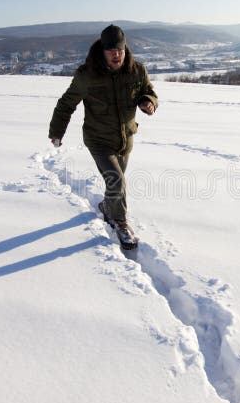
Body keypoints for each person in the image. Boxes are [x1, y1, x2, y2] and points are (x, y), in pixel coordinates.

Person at [48, 24, 158, 249]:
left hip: (125, 139)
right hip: (98, 139)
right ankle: (121, 224)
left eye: (120, 50)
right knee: (117, 181)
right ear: (102, 51)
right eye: (111, 51)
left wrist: (148, 102)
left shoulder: (137, 70)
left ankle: (108, 207)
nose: (116, 54)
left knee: (115, 185)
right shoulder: (86, 75)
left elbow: (148, 90)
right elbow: (66, 104)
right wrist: (57, 132)